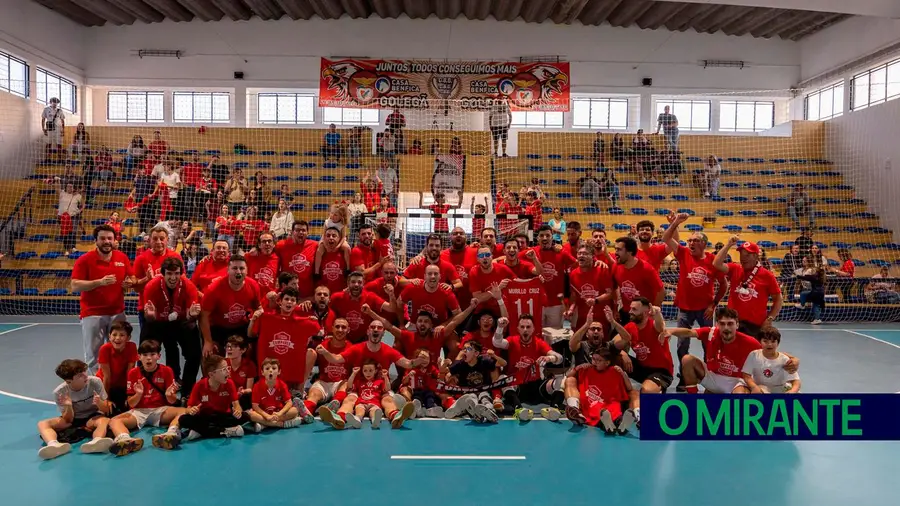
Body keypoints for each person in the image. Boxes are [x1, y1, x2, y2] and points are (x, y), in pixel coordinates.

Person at [315, 320, 423, 429]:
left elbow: (408, 364)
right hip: (358, 389)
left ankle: (396, 416)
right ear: (368, 331)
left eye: (379, 328)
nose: (376, 329)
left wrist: (420, 360)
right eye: (373, 327)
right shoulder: (356, 349)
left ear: (383, 333)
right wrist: (325, 352)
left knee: (388, 400)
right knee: (349, 400)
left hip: (381, 389)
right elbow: (336, 359)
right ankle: (338, 419)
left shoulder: (388, 351)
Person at [667, 308, 797, 394]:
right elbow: (689, 332)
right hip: (713, 377)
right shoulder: (711, 333)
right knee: (687, 360)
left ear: (737, 325)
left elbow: (769, 352)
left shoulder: (748, 342)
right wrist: (670, 331)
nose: (726, 327)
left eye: (730, 324)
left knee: (740, 395)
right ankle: (694, 402)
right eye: (722, 324)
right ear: (717, 324)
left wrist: (793, 359)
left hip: (735, 382)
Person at [71, 225, 134, 374]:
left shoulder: (122, 257)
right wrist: (99, 282)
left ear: (114, 240)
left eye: (109, 238)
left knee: (119, 350)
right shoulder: (85, 260)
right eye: (103, 238)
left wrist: (130, 282)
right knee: (93, 354)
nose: (106, 241)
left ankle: (117, 383)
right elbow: (75, 286)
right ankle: (96, 386)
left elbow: (131, 277)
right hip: (93, 314)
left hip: (117, 313)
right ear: (96, 241)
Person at [106, 340, 186, 456]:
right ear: (139, 357)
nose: (149, 358)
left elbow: (172, 401)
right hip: (138, 411)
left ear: (158, 356)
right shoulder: (133, 373)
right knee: (113, 420)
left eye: (152, 355)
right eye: (145, 355)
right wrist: (138, 394)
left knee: (184, 411)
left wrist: (170, 396)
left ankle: (171, 433)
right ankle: (125, 439)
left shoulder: (167, 371)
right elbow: (131, 404)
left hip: (160, 410)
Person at [141, 257, 202, 399]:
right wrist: (150, 315)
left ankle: (188, 392)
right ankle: (145, 388)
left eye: (176, 273)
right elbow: (150, 317)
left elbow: (190, 315)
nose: (173, 278)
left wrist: (192, 315)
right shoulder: (151, 286)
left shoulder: (189, 286)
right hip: (157, 322)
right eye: (169, 273)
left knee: (194, 354)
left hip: (181, 321)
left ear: (181, 273)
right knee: (145, 350)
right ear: (163, 274)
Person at [250, 287, 321, 401]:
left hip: (290, 378)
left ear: (296, 304)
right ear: (280, 302)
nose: (289, 302)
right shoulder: (266, 318)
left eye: (292, 300)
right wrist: (266, 300)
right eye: (287, 299)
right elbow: (252, 331)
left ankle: (299, 391)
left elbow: (318, 330)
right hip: (269, 376)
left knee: (311, 353)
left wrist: (312, 319)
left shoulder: (302, 322)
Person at [37, 359, 113, 460]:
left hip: (93, 416)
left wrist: (99, 403)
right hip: (73, 418)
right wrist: (68, 406)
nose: (85, 376)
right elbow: (68, 420)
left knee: (104, 420)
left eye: (84, 372)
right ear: (69, 381)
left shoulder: (95, 382)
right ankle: (54, 445)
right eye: (80, 375)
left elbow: (106, 410)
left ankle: (97, 441)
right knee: (42, 424)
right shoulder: (60, 392)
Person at [492, 315, 564, 421]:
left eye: (528, 327)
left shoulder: (539, 343)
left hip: (537, 386)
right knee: (503, 377)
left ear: (533, 329)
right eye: (522, 327)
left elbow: (560, 358)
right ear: (518, 329)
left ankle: (555, 409)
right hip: (518, 386)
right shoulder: (512, 341)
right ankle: (518, 409)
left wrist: (550, 358)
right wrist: (499, 327)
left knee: (562, 380)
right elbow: (497, 342)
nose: (525, 330)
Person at [169, 354, 253, 443]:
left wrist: (238, 411)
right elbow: (188, 409)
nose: (228, 372)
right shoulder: (199, 386)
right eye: (224, 369)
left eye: (228, 368)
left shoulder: (229, 383)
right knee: (183, 419)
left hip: (223, 416)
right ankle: (225, 431)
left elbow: (236, 405)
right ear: (212, 374)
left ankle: (201, 432)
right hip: (206, 417)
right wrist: (192, 410)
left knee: (245, 416)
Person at [713, 236, 783, 337]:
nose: (743, 257)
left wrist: (770, 318)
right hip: (733, 323)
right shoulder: (735, 268)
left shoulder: (767, 275)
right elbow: (716, 263)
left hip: (755, 324)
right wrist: (728, 245)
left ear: (755, 256)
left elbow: (778, 299)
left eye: (747, 255)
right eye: (741, 254)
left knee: (753, 352)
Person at [199, 254, 262, 357]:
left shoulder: (253, 285)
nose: (238, 271)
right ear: (228, 270)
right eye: (234, 268)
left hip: (240, 326)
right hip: (218, 327)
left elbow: (258, 308)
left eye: (242, 268)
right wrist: (208, 341)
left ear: (246, 270)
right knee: (210, 355)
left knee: (251, 351)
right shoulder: (214, 289)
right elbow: (204, 315)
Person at [608, 300, 672, 400]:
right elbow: (612, 344)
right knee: (611, 355)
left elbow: (660, 327)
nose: (630, 312)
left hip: (661, 371)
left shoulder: (654, 325)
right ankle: (615, 391)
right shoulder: (630, 326)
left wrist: (658, 313)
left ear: (646, 312)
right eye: (630, 308)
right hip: (642, 368)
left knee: (646, 391)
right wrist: (622, 352)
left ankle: (657, 389)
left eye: (634, 309)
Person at [564, 346, 636, 434]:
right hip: (593, 405)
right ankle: (609, 426)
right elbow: (568, 377)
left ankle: (622, 424)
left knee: (615, 413)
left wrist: (623, 374)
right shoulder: (586, 370)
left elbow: (629, 388)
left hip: (611, 404)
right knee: (601, 415)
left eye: (599, 360)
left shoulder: (614, 371)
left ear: (607, 363)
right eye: (593, 359)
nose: (595, 362)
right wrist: (577, 368)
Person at [133, 225, 182, 329]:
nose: (159, 242)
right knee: (149, 344)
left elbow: (182, 282)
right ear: (150, 240)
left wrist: (166, 280)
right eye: (155, 239)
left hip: (171, 308)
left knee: (171, 345)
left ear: (167, 240)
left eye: (162, 239)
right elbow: (136, 288)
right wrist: (147, 279)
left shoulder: (176, 257)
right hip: (148, 309)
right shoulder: (141, 259)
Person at [527, 225, 575, 329]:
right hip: (536, 303)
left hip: (556, 304)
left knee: (555, 337)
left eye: (547, 235)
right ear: (537, 238)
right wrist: (497, 259)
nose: (544, 238)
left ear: (552, 237)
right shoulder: (531, 252)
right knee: (536, 334)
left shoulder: (561, 253)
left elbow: (578, 263)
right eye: (542, 236)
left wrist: (596, 261)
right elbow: (512, 256)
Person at [302, 317, 352, 416]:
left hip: (340, 383)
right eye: (337, 327)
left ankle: (334, 405)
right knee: (313, 395)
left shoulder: (352, 348)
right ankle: (306, 413)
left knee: (346, 384)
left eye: (343, 327)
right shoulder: (322, 345)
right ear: (332, 328)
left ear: (348, 330)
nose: (340, 330)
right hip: (323, 382)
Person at [331, 271, 396, 343]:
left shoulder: (370, 296)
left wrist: (391, 294)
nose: (356, 284)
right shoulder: (337, 297)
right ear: (348, 283)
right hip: (342, 338)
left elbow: (391, 308)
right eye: (353, 282)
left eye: (359, 282)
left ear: (363, 284)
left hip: (364, 339)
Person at [612, 237, 665, 320]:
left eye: (619, 250)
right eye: (615, 249)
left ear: (630, 252)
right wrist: (615, 309)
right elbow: (613, 288)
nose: (615, 253)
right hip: (627, 312)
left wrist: (653, 310)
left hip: (643, 315)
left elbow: (661, 291)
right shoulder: (616, 266)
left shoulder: (646, 269)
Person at [566, 244, 614, 332]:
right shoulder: (573, 274)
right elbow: (574, 296)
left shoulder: (602, 270)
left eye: (585, 253)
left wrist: (595, 300)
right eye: (579, 253)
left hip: (602, 317)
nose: (581, 255)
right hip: (582, 318)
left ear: (592, 256)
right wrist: (571, 309)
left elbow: (610, 293)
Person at [248, 358, 304, 430]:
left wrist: (280, 413)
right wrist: (267, 416)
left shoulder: (282, 385)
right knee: (252, 415)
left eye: (274, 368)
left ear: (279, 371)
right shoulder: (257, 386)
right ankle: (280, 424)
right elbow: (255, 406)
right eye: (267, 368)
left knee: (294, 411)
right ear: (262, 372)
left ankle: (265, 425)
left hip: (278, 414)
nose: (270, 370)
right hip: (264, 414)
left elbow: (289, 402)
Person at [741, 326, 801, 394]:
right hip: (761, 388)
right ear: (760, 342)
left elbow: (796, 381)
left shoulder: (785, 359)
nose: (769, 344)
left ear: (778, 343)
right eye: (765, 341)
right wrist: (754, 386)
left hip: (781, 388)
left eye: (773, 341)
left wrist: (792, 391)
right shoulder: (754, 355)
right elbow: (746, 375)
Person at [96, 321, 138, 413]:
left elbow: (129, 374)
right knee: (107, 410)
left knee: (128, 408)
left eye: (122, 335)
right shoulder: (104, 349)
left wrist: (129, 396)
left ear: (128, 338)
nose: (117, 338)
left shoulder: (132, 347)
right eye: (114, 335)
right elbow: (107, 377)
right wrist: (105, 399)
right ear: (109, 336)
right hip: (105, 385)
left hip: (121, 385)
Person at [275, 221, 319, 299]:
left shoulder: (315, 245)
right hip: (288, 293)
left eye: (303, 230)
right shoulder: (281, 245)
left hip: (307, 294)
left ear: (307, 233)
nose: (301, 232)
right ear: (292, 232)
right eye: (297, 230)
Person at [400, 349, 446, 419]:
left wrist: (440, 366)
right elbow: (404, 382)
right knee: (417, 397)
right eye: (422, 358)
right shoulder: (411, 367)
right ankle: (417, 409)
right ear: (416, 358)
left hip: (428, 390)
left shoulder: (431, 368)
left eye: (427, 358)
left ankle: (431, 409)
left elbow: (439, 377)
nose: (424, 360)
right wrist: (409, 375)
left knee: (430, 396)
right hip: (416, 390)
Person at [345, 360, 390, 429]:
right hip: (361, 403)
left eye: (370, 370)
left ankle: (375, 420)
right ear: (362, 372)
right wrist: (353, 373)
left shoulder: (380, 381)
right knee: (359, 411)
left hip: (374, 403)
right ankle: (357, 420)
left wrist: (386, 377)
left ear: (375, 371)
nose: (367, 373)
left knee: (374, 412)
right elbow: (349, 386)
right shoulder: (359, 382)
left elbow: (387, 389)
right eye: (365, 371)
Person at [224, 335, 256, 409]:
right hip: (225, 396)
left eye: (234, 347)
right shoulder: (222, 363)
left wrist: (243, 391)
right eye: (228, 346)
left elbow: (249, 389)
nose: (229, 349)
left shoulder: (250, 365)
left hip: (242, 398)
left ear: (243, 350)